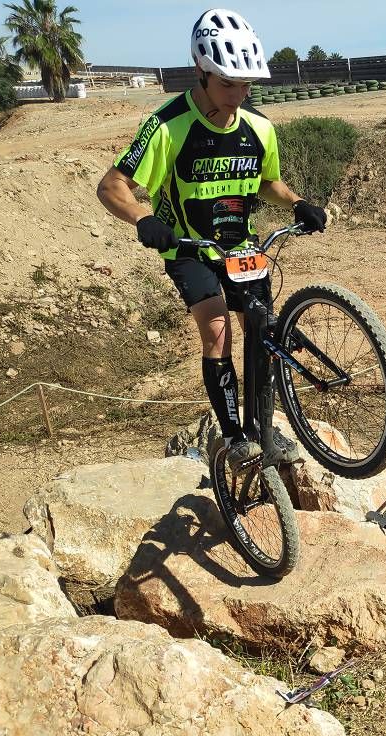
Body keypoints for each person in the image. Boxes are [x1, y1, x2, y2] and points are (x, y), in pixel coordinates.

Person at [97, 8, 327, 471]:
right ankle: (233, 437)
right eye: (228, 84)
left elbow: (268, 183)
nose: (240, 95)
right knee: (217, 331)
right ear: (201, 72)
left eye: (247, 84)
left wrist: (298, 201)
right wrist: (144, 219)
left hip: (240, 246)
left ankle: (265, 428)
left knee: (260, 331)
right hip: (188, 246)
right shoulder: (166, 125)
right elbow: (111, 186)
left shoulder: (259, 127)